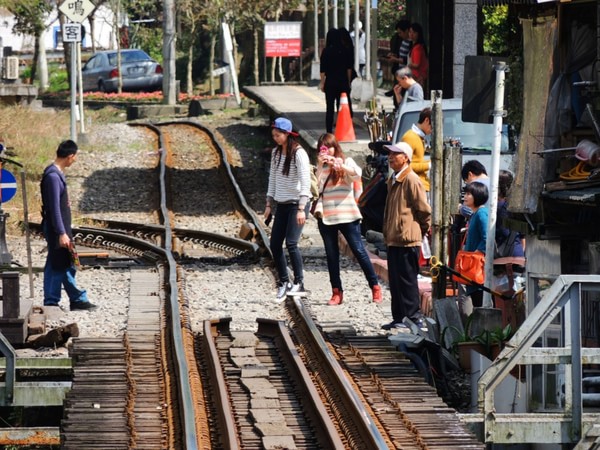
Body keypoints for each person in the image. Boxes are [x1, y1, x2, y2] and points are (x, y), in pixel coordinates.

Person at [314, 133, 382, 305]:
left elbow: (356, 175)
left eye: (329, 146)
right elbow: (316, 187)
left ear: (335, 147)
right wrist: (321, 165)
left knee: (359, 250)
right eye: (322, 147)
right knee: (331, 254)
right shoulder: (321, 166)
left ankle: (374, 286)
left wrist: (340, 166)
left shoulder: (346, 161)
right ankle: (336, 292)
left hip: (346, 214)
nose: (326, 151)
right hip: (327, 216)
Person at [380, 142, 431, 331]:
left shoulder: (411, 179)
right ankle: (399, 317)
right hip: (394, 238)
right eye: (390, 154)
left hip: (407, 238)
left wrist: (420, 229)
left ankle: (413, 316)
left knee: (407, 280)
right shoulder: (393, 179)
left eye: (395, 154)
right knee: (395, 280)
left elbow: (423, 210)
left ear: (406, 158)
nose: (391, 157)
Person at [41, 140, 96, 310]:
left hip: (60, 227)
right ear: (70, 156)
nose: (75, 160)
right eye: (75, 156)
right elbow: (54, 208)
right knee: (58, 261)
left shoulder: (57, 174)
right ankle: (54, 301)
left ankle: (75, 298)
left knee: (63, 261)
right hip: (57, 228)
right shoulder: (52, 177)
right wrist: (61, 233)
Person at [264, 117, 311, 301]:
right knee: (275, 244)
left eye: (278, 135)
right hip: (282, 204)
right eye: (273, 135)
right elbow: (272, 179)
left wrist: (301, 208)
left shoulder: (299, 153)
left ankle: (299, 282)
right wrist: (268, 203)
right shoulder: (276, 153)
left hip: (297, 204)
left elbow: (305, 181)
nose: (275, 138)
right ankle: (284, 282)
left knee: (291, 243)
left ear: (287, 134)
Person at [458, 182, 489, 317]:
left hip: (477, 265)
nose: (465, 196)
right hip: (472, 265)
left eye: (469, 194)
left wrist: (478, 252)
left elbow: (487, 237)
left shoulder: (482, 213)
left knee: (478, 299)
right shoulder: (475, 214)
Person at [320, 28, 354, 133]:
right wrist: (348, 82)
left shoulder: (326, 51)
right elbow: (349, 68)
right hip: (343, 82)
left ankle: (329, 131)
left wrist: (322, 82)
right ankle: (342, 129)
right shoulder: (345, 50)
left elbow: (323, 70)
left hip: (330, 82)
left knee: (329, 108)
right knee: (342, 107)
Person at [401, 106, 431, 193]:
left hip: (420, 186)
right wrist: (428, 165)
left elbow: (417, 161)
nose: (432, 131)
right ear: (426, 120)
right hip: (414, 188)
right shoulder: (410, 137)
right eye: (433, 127)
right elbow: (404, 166)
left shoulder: (419, 137)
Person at [496, 169, 525, 258]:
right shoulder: (516, 205)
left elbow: (503, 232)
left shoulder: (498, 208)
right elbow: (522, 235)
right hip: (517, 253)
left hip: (504, 256)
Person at [385, 19, 412, 108]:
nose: (399, 35)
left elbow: (406, 60)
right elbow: (401, 55)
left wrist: (395, 59)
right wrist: (394, 55)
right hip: (400, 73)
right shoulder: (403, 41)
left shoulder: (411, 43)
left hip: (406, 75)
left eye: (400, 33)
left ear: (407, 31)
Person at [407, 22, 429, 88]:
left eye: (414, 32)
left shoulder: (418, 48)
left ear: (418, 34)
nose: (411, 34)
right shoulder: (416, 46)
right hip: (417, 76)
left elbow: (416, 64)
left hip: (417, 77)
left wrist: (409, 65)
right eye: (410, 32)